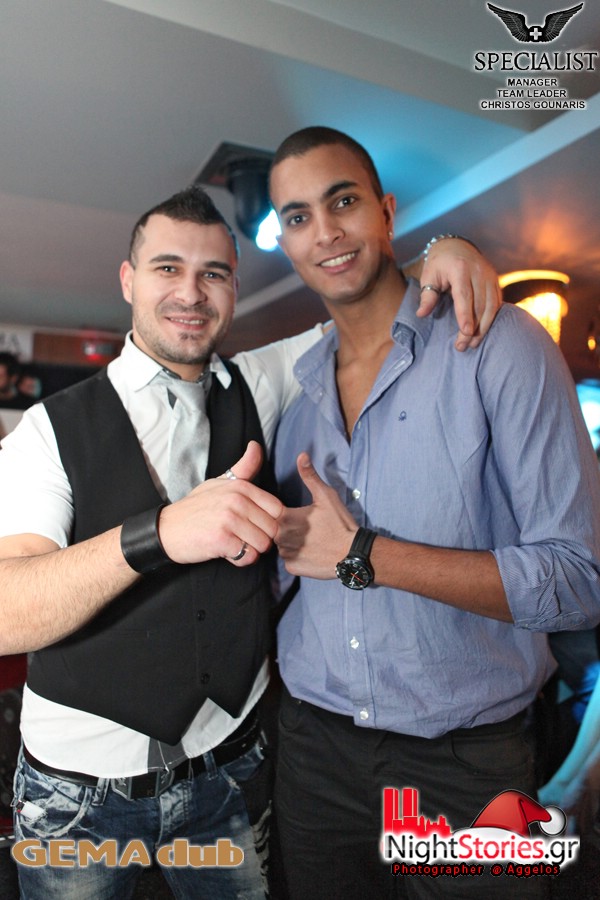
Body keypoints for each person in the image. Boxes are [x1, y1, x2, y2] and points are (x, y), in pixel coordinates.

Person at [0, 183, 500, 900]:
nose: (191, 293)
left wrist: (444, 250)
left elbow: (364, 301)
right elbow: (7, 612)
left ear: (235, 288)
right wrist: (159, 533)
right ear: (129, 280)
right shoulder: (47, 431)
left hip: (230, 766)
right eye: (168, 268)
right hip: (79, 789)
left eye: (214, 273)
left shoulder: (261, 381)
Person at [269, 127, 600, 900]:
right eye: (298, 217)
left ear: (386, 212)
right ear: (284, 243)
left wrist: (366, 555)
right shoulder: (298, 395)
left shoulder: (496, 343)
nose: (325, 232)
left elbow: (579, 580)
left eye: (343, 202)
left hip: (465, 763)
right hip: (311, 748)